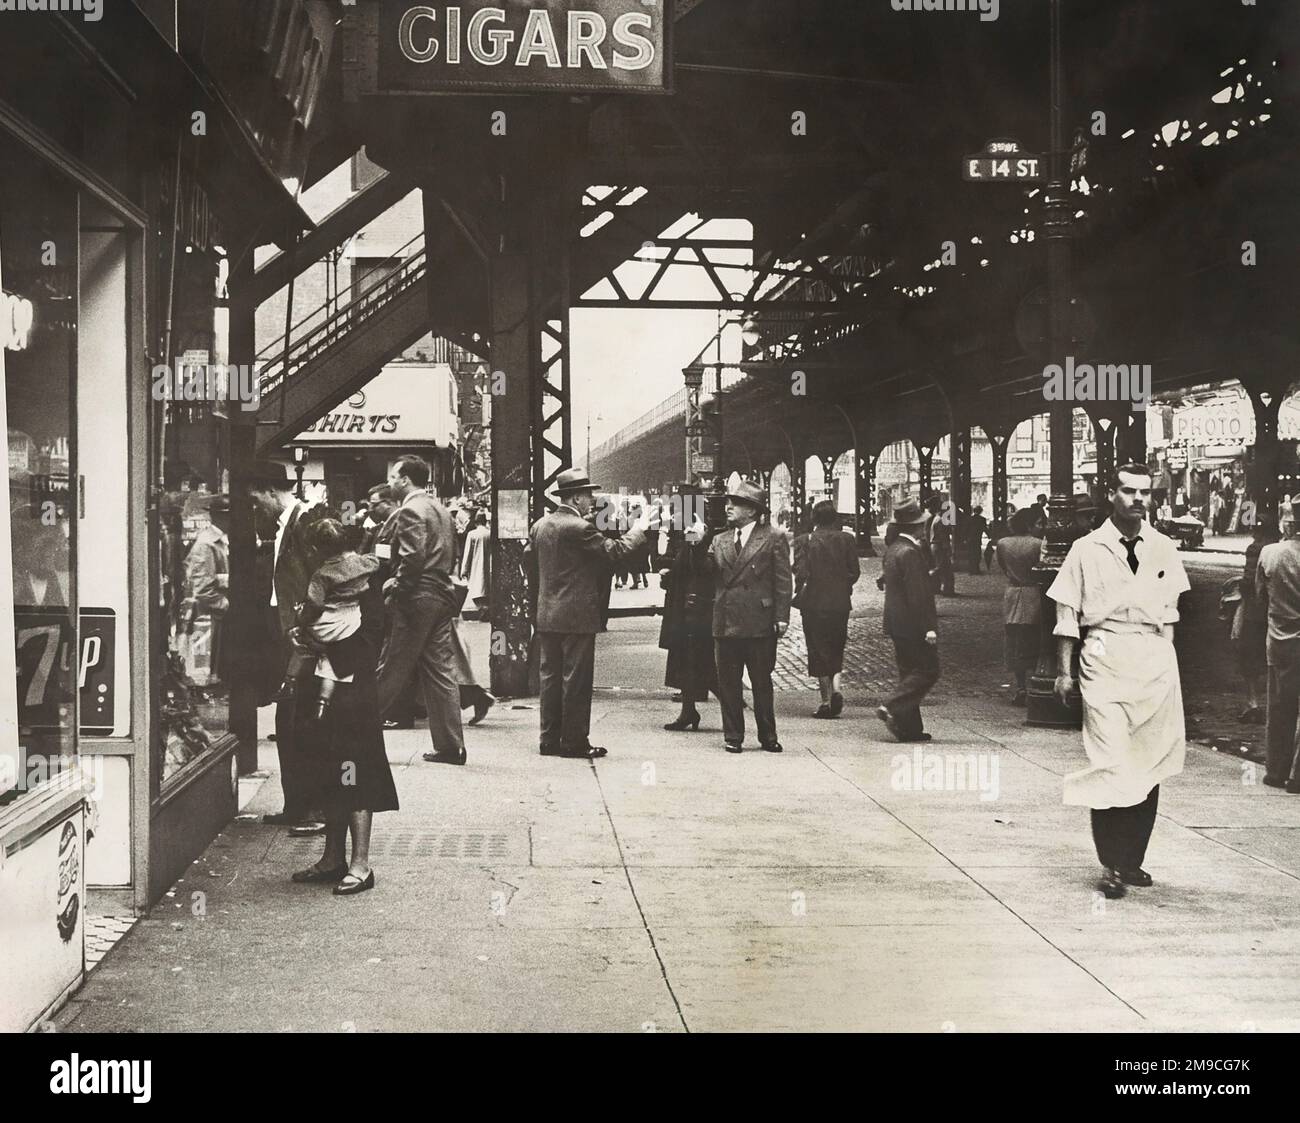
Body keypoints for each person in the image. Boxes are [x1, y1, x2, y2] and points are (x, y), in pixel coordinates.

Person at [1048, 464, 1190, 900]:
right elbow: (1067, 614)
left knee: (1149, 762)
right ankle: (1110, 863)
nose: (1137, 499)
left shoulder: (1164, 548)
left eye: (1144, 492)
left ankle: (1132, 861)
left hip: (1152, 661)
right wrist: (1064, 671)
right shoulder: (1087, 549)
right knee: (1109, 760)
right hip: (1104, 655)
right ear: (1111, 494)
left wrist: (1166, 661)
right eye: (1128, 490)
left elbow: (1169, 615)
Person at [288, 566, 399, 896]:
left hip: (354, 702)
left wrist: (319, 645)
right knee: (330, 774)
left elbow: (367, 648)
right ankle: (332, 857)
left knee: (355, 774)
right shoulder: (322, 595)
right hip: (326, 698)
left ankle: (360, 864)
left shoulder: (369, 599)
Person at [528, 468, 653, 759]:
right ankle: (573, 742)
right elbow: (615, 551)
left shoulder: (541, 526)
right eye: (588, 496)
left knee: (550, 678)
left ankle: (549, 740)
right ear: (576, 498)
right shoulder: (579, 528)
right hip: (576, 616)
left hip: (547, 613)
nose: (592, 501)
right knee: (576, 680)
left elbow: (533, 568)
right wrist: (639, 530)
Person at [246, 463, 328, 836]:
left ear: (269, 491)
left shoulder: (305, 521)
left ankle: (311, 807)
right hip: (291, 639)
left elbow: (320, 579)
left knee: (303, 722)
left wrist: (307, 629)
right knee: (289, 721)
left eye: (255, 500)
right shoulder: (282, 527)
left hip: (305, 641)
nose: (254, 509)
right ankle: (297, 804)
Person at [375, 455, 467, 766]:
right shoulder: (439, 509)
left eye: (393, 476)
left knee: (392, 665)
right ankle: (451, 746)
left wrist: (395, 587)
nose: (390, 482)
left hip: (417, 596)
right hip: (441, 594)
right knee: (441, 671)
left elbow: (412, 558)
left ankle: (356, 733)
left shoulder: (410, 511)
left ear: (404, 479)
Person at [704, 480, 792, 754]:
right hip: (726, 620)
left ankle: (768, 735)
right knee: (729, 683)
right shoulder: (719, 539)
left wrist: (781, 616)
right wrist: (696, 544)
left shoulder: (773, 537)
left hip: (759, 622)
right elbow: (706, 572)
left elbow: (782, 580)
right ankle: (733, 735)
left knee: (761, 682)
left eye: (736, 503)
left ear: (752, 511)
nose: (728, 507)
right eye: (729, 502)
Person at [280, 518, 380, 720]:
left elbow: (315, 604)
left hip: (327, 623)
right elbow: (375, 560)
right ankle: (322, 703)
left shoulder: (323, 574)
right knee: (331, 664)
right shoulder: (365, 564)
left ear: (318, 548)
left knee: (304, 640)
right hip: (351, 622)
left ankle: (289, 682)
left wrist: (300, 618)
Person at [877, 499, 940, 742]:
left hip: (895, 622)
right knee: (927, 670)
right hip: (913, 625)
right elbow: (919, 596)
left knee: (908, 673)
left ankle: (909, 728)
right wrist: (929, 628)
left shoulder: (893, 549)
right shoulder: (911, 553)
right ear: (917, 527)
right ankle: (892, 705)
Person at [794, 499, 860, 718]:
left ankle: (825, 701)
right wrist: (841, 585)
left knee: (817, 648)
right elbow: (854, 572)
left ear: (814, 518)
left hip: (813, 603)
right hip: (839, 603)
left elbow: (801, 572)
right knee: (836, 645)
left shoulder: (805, 541)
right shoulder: (848, 540)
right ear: (835, 518)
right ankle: (838, 689)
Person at [658, 515, 717, 732]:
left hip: (697, 611)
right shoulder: (684, 530)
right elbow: (681, 562)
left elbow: (701, 565)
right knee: (685, 662)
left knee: (704, 665)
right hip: (683, 609)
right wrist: (669, 572)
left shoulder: (701, 530)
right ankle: (688, 711)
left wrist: (697, 543)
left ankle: (732, 710)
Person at [1256, 502, 1300, 793]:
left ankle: (1276, 770)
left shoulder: (1271, 553)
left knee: (1280, 707)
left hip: (1280, 640)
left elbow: (1260, 598)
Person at [996, 507, 1043, 706]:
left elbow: (1002, 566)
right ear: (1030, 524)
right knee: (1034, 638)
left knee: (1014, 638)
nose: (1041, 527)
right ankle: (1036, 684)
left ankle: (1020, 685)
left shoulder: (1003, 544)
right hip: (1033, 594)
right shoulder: (1038, 544)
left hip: (1012, 593)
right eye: (1039, 523)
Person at [183, 493, 231, 688]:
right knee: (213, 672)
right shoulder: (206, 543)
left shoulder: (221, 540)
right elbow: (203, 589)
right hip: (214, 615)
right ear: (219, 517)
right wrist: (228, 605)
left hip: (220, 615)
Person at [1233, 516, 1277, 724]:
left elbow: (1248, 581)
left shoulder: (1255, 549)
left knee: (1249, 655)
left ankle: (1253, 703)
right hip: (1280, 612)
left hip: (1255, 612)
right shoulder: (1281, 548)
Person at [460, 509, 490, 618]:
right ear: (485, 521)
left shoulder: (472, 534)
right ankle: (486, 609)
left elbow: (467, 553)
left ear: (476, 522)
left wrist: (464, 569)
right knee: (486, 586)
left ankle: (482, 610)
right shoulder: (489, 533)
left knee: (477, 587)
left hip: (475, 564)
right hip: (488, 565)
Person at [924, 494, 956, 596]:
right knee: (944, 569)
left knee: (940, 567)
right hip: (939, 546)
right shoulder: (941, 520)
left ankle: (935, 587)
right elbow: (944, 537)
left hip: (935, 546)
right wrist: (948, 550)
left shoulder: (935, 518)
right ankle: (947, 590)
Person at [967, 505, 988, 574]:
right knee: (977, 554)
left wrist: (965, 538)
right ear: (980, 511)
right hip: (977, 539)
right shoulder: (982, 519)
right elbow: (985, 529)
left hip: (970, 539)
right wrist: (990, 535)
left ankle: (971, 570)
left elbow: (965, 529)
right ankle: (976, 569)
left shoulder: (969, 519)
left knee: (970, 554)